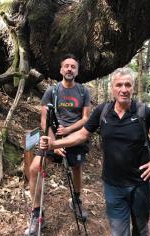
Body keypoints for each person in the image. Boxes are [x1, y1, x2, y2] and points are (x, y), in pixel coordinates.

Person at [40, 67, 150, 236]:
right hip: (113, 186)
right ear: (112, 88)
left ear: (133, 88)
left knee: (141, 229)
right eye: (119, 85)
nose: (124, 89)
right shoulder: (102, 111)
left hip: (140, 184)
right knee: (119, 232)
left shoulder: (143, 111)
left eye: (128, 85)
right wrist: (54, 144)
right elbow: (82, 135)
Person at [24, 54, 91, 235]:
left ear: (77, 71)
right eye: (66, 66)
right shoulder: (51, 92)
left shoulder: (84, 92)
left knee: (76, 168)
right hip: (52, 137)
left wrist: (68, 132)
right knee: (34, 168)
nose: (69, 69)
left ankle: (76, 201)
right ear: (61, 70)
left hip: (74, 137)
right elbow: (45, 120)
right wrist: (54, 143)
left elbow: (86, 119)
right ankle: (37, 213)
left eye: (73, 67)